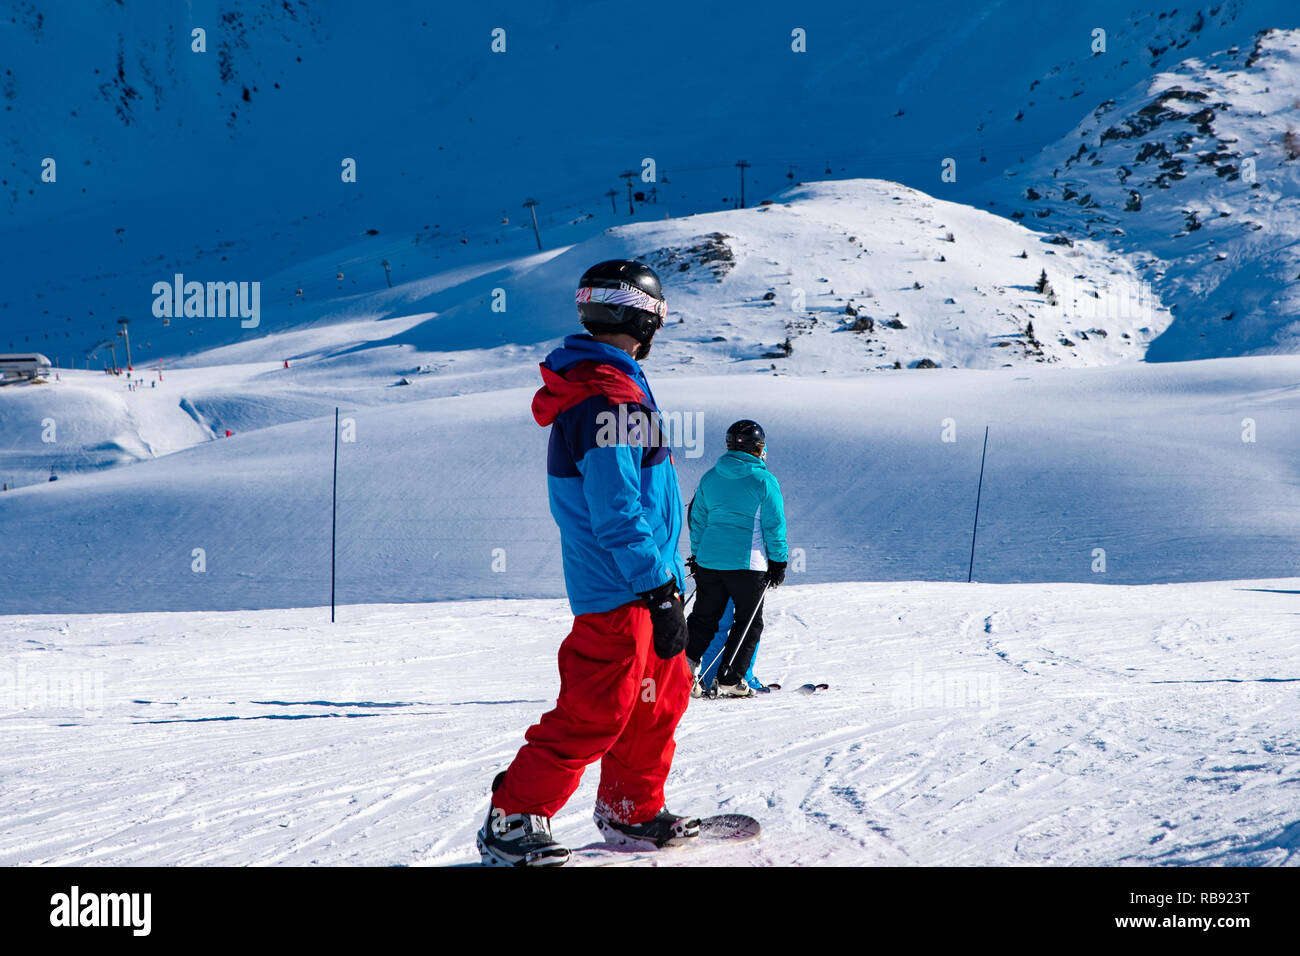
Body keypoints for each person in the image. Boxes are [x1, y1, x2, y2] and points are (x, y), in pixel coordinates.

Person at [476, 259, 697, 867]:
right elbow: (617, 509)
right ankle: (513, 818)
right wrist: (655, 586)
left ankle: (632, 808)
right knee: (598, 708)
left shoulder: (612, 384)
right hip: (620, 588)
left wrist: (668, 581)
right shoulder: (606, 393)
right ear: (644, 321)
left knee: (661, 697)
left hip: (648, 580)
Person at [684, 420, 788, 698]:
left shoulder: (710, 477)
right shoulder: (764, 480)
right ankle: (731, 677)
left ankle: (684, 671)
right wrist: (779, 562)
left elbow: (698, 520)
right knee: (749, 622)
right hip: (747, 565)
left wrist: (697, 556)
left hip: (709, 563)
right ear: (758, 448)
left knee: (704, 618)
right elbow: (774, 526)